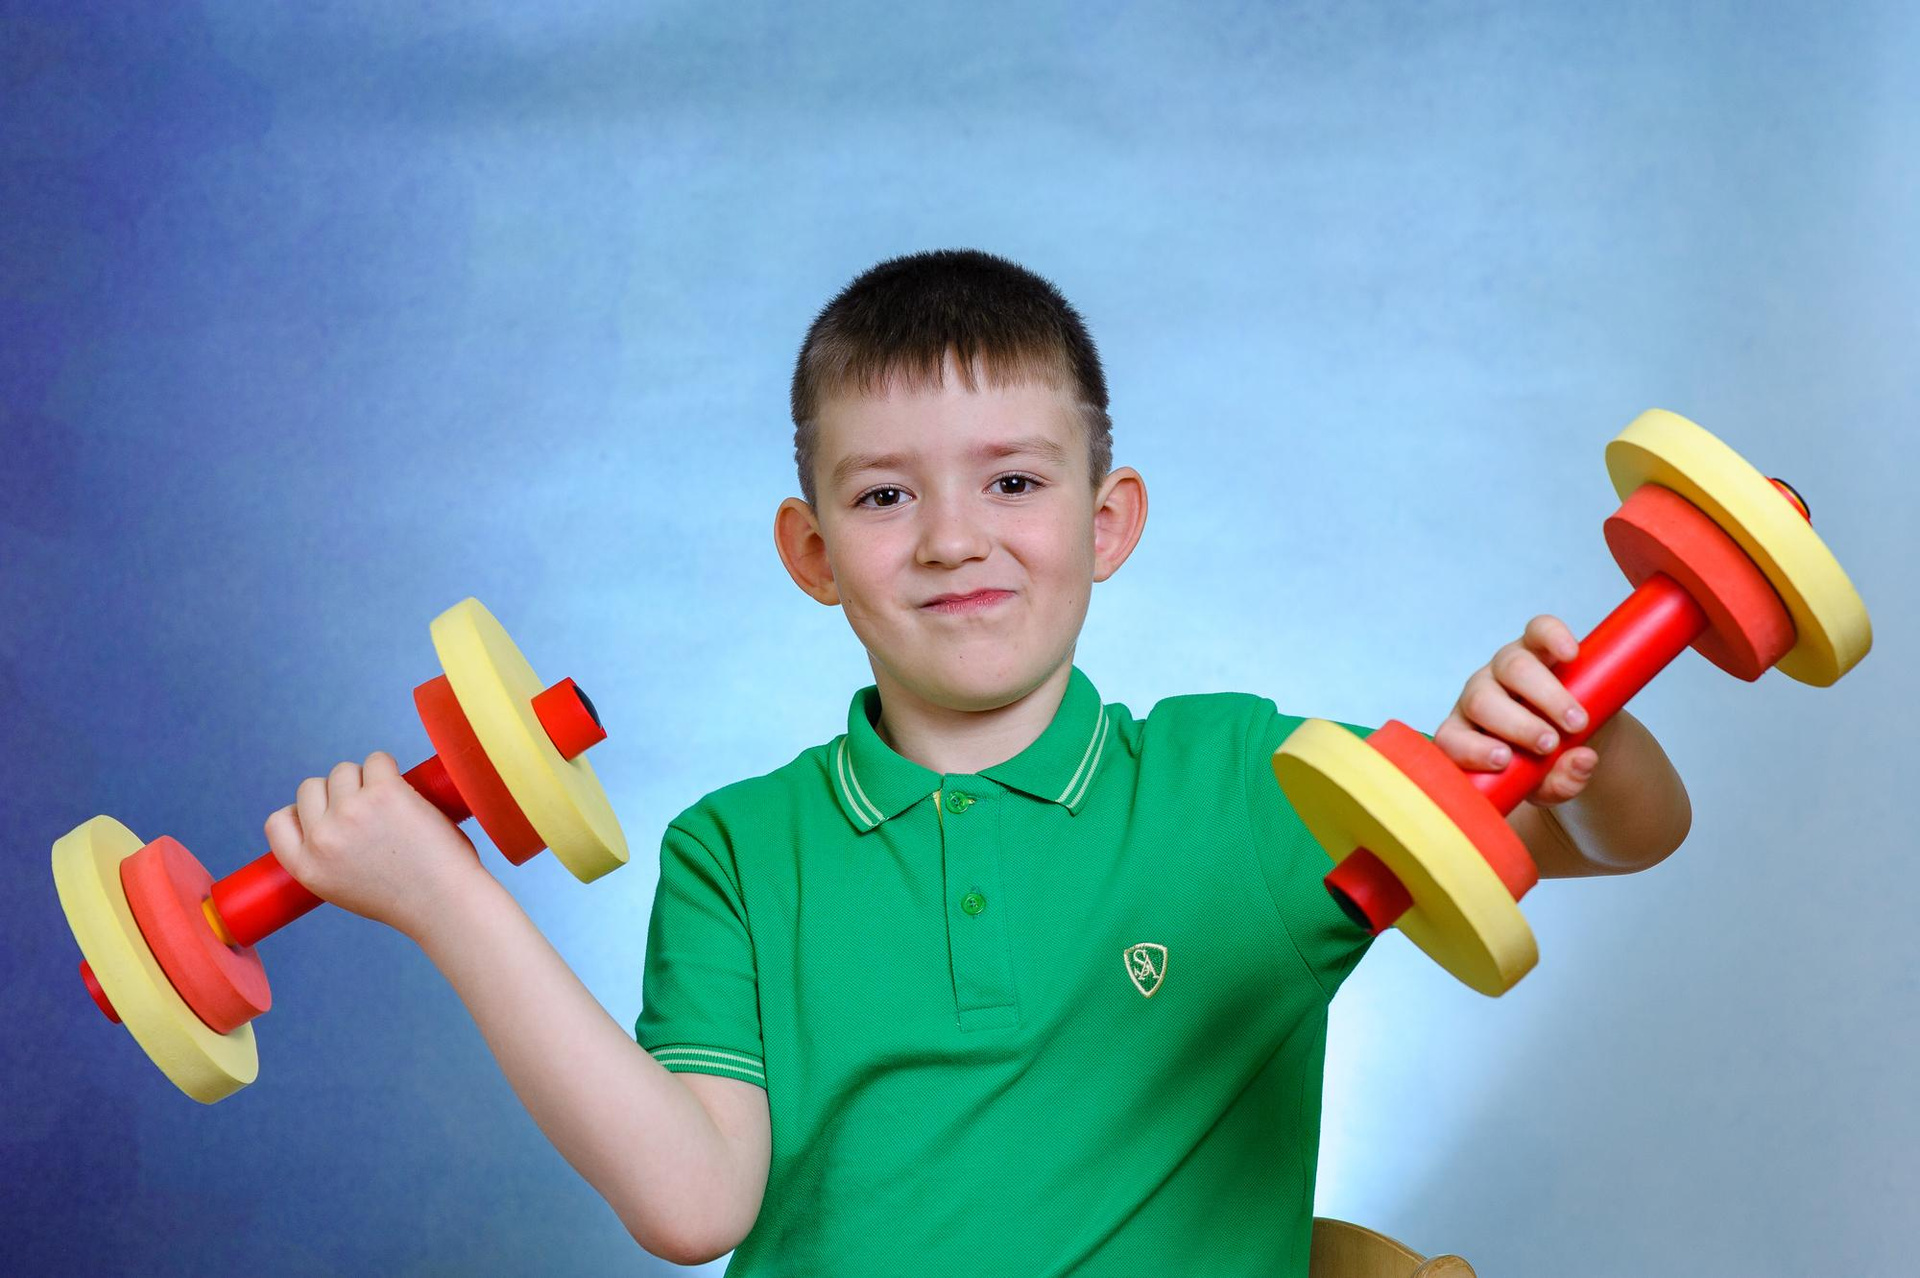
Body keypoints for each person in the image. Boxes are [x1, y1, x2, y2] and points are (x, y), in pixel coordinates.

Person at [265, 249, 1692, 1275]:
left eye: (1013, 480)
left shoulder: (1248, 783)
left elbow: (1618, 838)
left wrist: (1582, 744)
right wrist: (445, 896)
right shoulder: (737, 853)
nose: (954, 539)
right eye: (888, 495)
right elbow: (693, 1206)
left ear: (1107, 522)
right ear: (813, 552)